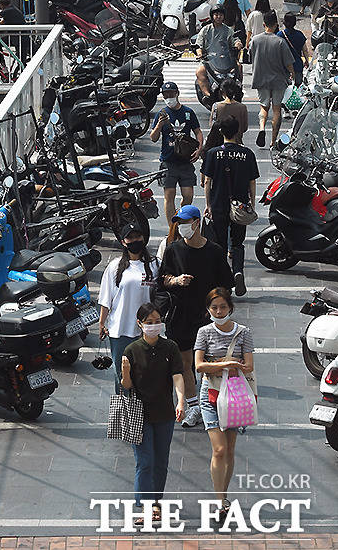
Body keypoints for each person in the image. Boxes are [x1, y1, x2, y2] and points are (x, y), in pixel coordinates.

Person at [161, 206, 234, 427]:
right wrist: (175, 281)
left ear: (196, 222)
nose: (182, 227)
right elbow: (163, 279)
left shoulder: (214, 251)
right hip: (180, 316)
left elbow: (226, 285)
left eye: (185, 222)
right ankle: (194, 407)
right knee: (185, 362)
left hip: (207, 318)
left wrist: (215, 307)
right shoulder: (173, 249)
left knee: (211, 363)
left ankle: (212, 403)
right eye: (178, 223)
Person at [122, 303, 185, 525]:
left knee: (160, 461)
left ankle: (156, 503)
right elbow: (127, 386)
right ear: (139, 324)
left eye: (157, 321)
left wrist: (181, 400)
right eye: (149, 322)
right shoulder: (131, 350)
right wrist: (126, 372)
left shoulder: (170, 348)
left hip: (164, 412)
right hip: (138, 413)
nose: (154, 326)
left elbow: (178, 375)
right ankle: (145, 507)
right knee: (145, 462)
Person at [194, 288, 254, 522]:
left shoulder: (244, 333)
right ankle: (220, 500)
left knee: (229, 449)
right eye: (214, 307)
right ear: (208, 310)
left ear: (231, 307)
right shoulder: (204, 332)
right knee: (219, 449)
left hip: (234, 396)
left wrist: (217, 363)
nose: (219, 312)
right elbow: (199, 366)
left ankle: (224, 495)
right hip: (210, 394)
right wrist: (228, 364)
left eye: (222, 307)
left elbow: (248, 365)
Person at [98, 223, 160, 393]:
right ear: (123, 242)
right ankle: (125, 413)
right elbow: (105, 299)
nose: (135, 241)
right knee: (122, 376)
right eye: (130, 238)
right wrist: (102, 323)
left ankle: (144, 414)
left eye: (137, 237)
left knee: (146, 376)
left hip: (146, 331)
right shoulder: (115, 267)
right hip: (120, 331)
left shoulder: (155, 265)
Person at [203, 116, 258, 296]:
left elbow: (207, 182)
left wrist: (208, 205)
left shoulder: (213, 153)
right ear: (237, 132)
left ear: (221, 132)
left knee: (219, 243)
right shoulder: (247, 154)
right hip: (240, 205)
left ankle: (223, 281)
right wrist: (252, 204)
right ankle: (238, 271)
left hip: (219, 204)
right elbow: (252, 183)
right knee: (238, 243)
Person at [150, 82, 203, 224]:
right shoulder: (161, 114)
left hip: (185, 161)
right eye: (166, 95)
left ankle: (182, 216)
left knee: (188, 195)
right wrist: (160, 125)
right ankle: (172, 228)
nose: (169, 97)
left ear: (177, 93)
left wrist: (199, 149)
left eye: (171, 94)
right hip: (168, 161)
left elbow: (198, 132)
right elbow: (153, 138)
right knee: (169, 196)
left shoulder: (188, 112)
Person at [250, 9, 295, 148]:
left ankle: (262, 128)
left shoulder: (255, 40)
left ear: (264, 24)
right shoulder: (280, 42)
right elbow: (288, 63)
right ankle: (273, 141)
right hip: (278, 80)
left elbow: (251, 55)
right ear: (276, 24)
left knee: (264, 107)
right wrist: (292, 73)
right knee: (276, 109)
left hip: (260, 78)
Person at [195, 6, 242, 104]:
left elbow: (235, 40)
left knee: (239, 66)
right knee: (200, 71)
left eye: (220, 15)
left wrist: (238, 44)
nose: (218, 17)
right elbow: (198, 44)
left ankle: (239, 89)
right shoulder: (205, 30)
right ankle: (207, 95)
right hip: (209, 60)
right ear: (212, 16)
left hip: (226, 59)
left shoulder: (228, 30)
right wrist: (199, 53)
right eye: (216, 15)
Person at [208, 79, 248, 144]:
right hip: (237, 142)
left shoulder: (216, 106)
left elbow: (212, 126)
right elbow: (244, 128)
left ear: (221, 92)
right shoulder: (242, 107)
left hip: (219, 144)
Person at [278, 11, 310, 86]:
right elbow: (305, 50)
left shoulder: (280, 35)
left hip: (284, 66)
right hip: (297, 65)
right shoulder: (299, 34)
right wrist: (306, 60)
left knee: (285, 89)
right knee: (297, 89)